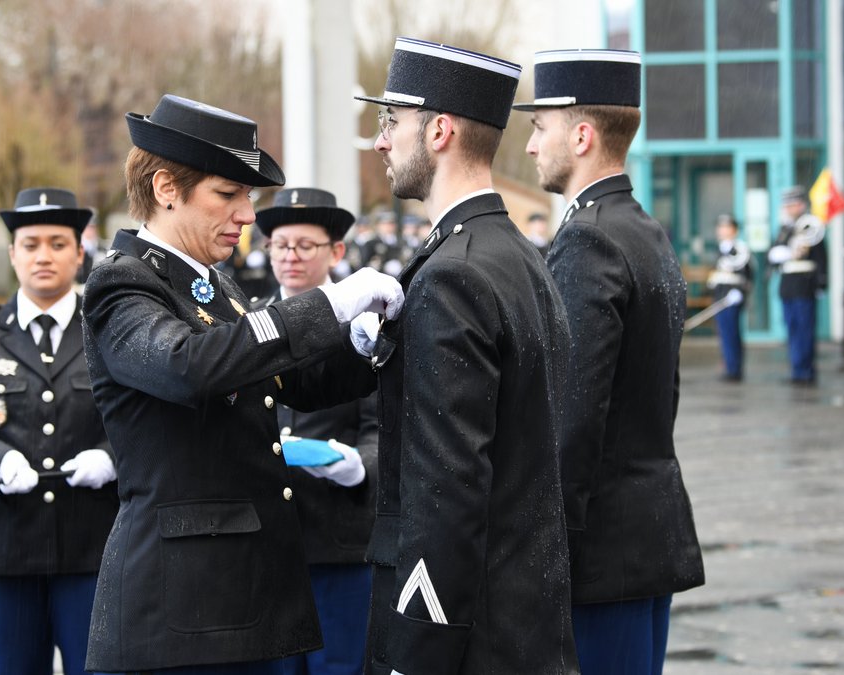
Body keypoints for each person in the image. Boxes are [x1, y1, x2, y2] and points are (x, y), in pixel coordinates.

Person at [79, 94, 404, 674]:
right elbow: (188, 366)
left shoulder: (216, 286)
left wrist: (358, 342)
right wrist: (325, 305)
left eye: (247, 197)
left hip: (238, 600)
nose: (247, 215)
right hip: (178, 613)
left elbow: (286, 380)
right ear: (165, 189)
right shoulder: (121, 286)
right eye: (227, 195)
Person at [356, 37, 577, 674]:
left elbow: (446, 490)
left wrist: (416, 652)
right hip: (518, 622)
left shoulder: (454, 274)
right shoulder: (515, 256)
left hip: (466, 636)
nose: (381, 141)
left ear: (440, 130)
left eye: (391, 122)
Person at [519, 48, 705, 674]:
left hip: (599, 553)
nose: (529, 147)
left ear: (581, 134)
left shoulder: (590, 239)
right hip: (642, 537)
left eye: (539, 128)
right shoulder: (642, 228)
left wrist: (546, 553)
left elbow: (573, 416)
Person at [0, 187, 120, 675]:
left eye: (59, 243)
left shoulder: (108, 330)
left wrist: (111, 458)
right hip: (2, 549)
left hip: (95, 545)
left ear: (80, 254)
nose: (44, 256)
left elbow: (141, 421)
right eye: (31, 243)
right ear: (12, 254)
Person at [253, 187, 379, 675]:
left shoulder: (364, 327)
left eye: (305, 245)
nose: (291, 257)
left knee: (341, 665)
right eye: (280, 245)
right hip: (267, 543)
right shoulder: (248, 322)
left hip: (339, 538)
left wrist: (356, 467)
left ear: (337, 251)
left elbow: (378, 426)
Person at [767, 185, 828, 386]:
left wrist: (821, 283)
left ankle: (806, 371)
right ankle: (797, 369)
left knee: (804, 330)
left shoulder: (811, 226)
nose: (789, 208)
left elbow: (820, 257)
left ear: (801, 205)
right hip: (788, 285)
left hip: (804, 284)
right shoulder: (785, 228)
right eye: (787, 205)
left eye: (792, 204)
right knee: (792, 329)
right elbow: (775, 253)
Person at [708, 214, 753, 382]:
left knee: (732, 333)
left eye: (726, 227)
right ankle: (728, 365)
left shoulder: (740, 249)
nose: (722, 230)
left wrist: (740, 291)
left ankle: (735, 369)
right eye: (720, 227)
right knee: (724, 333)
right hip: (720, 294)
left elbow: (747, 274)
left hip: (732, 295)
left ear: (734, 230)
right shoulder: (720, 248)